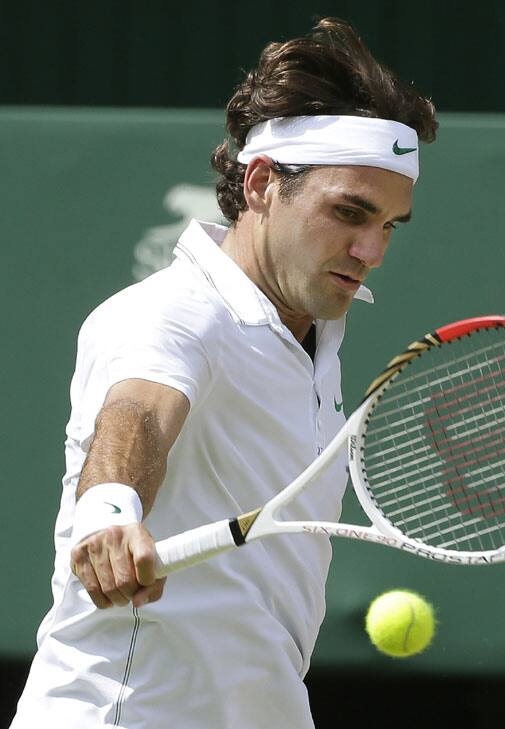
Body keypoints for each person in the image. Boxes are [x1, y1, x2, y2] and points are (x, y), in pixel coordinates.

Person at [10, 17, 437, 729]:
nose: (372, 248)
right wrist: (111, 513)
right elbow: (138, 411)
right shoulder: (171, 313)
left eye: (391, 224)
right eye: (349, 212)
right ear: (264, 181)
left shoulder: (317, 333)